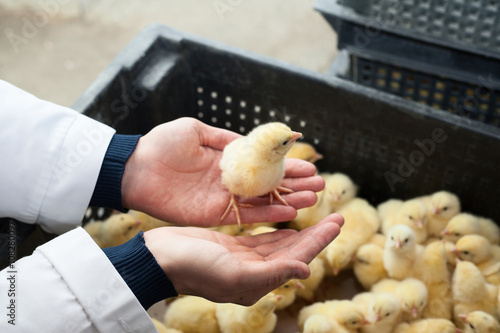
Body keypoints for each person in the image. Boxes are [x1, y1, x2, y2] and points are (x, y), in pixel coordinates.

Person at [0, 79, 343, 332]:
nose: (295, 139)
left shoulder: (261, 163)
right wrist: (145, 269)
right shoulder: (252, 165)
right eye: (287, 141)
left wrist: (124, 165)